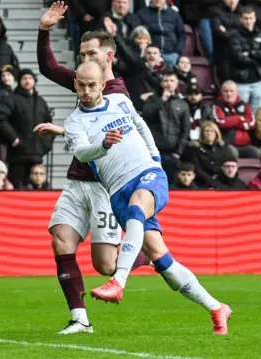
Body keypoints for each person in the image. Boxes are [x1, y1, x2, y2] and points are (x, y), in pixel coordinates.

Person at [66, 62, 231, 335]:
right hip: (117, 190)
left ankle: (119, 281)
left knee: (136, 209)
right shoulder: (74, 121)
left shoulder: (119, 100)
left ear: (101, 84)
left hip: (146, 173)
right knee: (163, 261)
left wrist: (155, 158)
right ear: (75, 84)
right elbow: (83, 153)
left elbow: (140, 125)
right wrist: (103, 145)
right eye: (81, 84)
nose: (86, 90)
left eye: (92, 84)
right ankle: (216, 307)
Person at [36, 1, 148, 335]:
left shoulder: (115, 94)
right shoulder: (87, 84)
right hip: (76, 180)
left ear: (108, 57)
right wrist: (44, 31)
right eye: (82, 54)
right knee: (61, 240)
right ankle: (79, 318)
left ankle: (141, 252)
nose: (84, 61)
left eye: (90, 55)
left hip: (104, 187)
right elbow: (48, 68)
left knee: (105, 266)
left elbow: (112, 133)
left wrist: (67, 131)